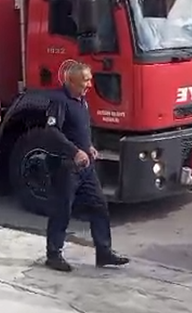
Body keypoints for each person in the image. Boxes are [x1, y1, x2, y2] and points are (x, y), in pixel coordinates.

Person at [42, 62, 130, 272]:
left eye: (90, 80)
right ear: (70, 81)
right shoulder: (59, 100)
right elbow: (52, 131)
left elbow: (79, 129)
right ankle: (53, 255)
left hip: (85, 166)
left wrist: (88, 147)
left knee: (99, 205)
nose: (90, 85)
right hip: (65, 166)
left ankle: (104, 252)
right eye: (85, 80)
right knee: (62, 210)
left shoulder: (81, 100)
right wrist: (74, 151)